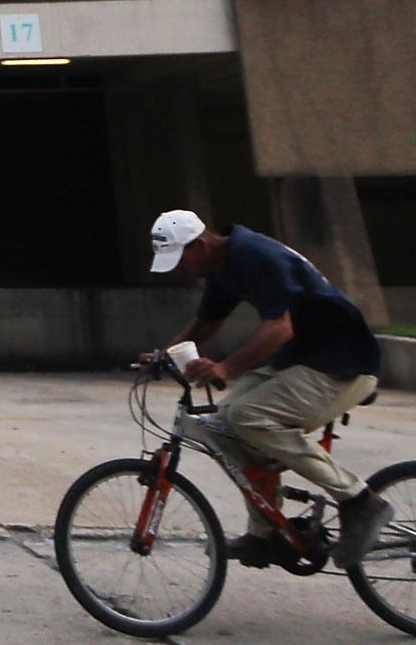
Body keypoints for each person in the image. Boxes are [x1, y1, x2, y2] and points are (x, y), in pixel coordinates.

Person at [142, 208, 392, 569]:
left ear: (198, 244)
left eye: (180, 260)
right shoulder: (223, 265)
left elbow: (279, 329)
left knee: (249, 415)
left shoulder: (255, 255)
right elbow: (206, 322)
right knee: (223, 422)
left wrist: (226, 368)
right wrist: (162, 355)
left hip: (341, 363)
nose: (179, 270)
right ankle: (267, 534)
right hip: (303, 360)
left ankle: (359, 500)